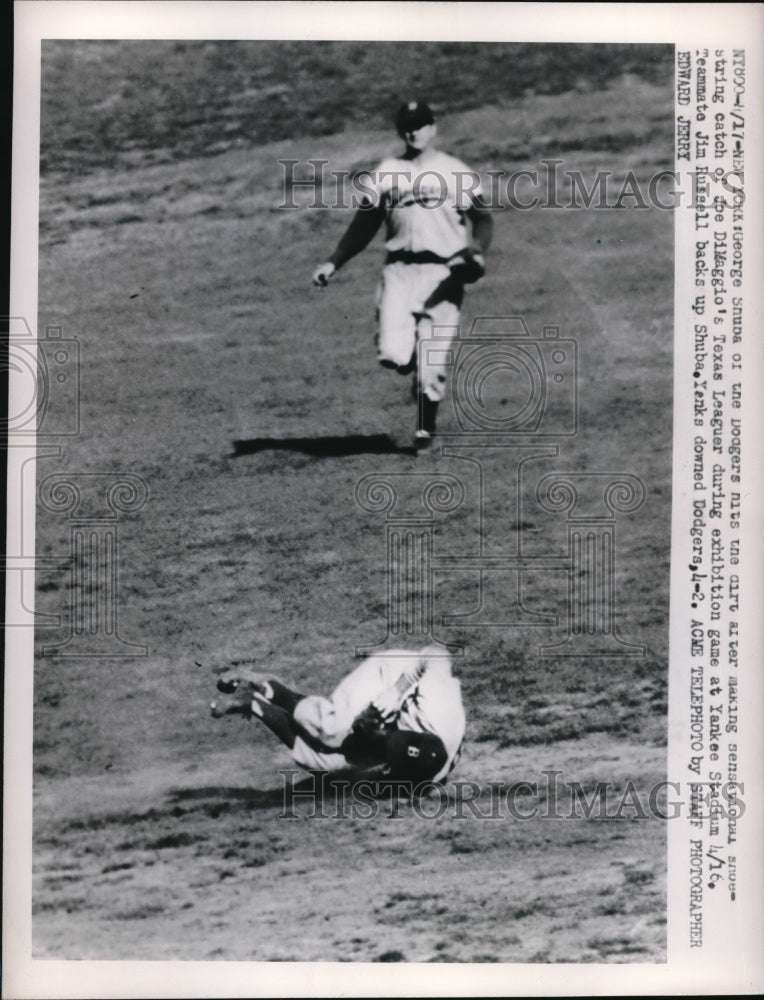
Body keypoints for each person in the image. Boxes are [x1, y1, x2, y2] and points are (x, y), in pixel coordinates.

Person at [312, 100, 493, 450]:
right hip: (399, 272)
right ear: (401, 131)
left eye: (422, 124)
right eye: (409, 126)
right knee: (393, 354)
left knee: (433, 362)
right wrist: (333, 262)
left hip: (444, 275)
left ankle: (425, 431)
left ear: (433, 127)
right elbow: (364, 224)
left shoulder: (454, 170)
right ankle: (410, 358)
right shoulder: (387, 171)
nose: (415, 131)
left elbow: (483, 218)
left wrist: (476, 250)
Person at [210, 644, 466, 783]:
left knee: (327, 766)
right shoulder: (438, 704)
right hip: (395, 674)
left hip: (405, 726)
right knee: (334, 730)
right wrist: (395, 692)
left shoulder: (429, 776)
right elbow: (436, 653)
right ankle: (265, 686)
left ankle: (252, 704)